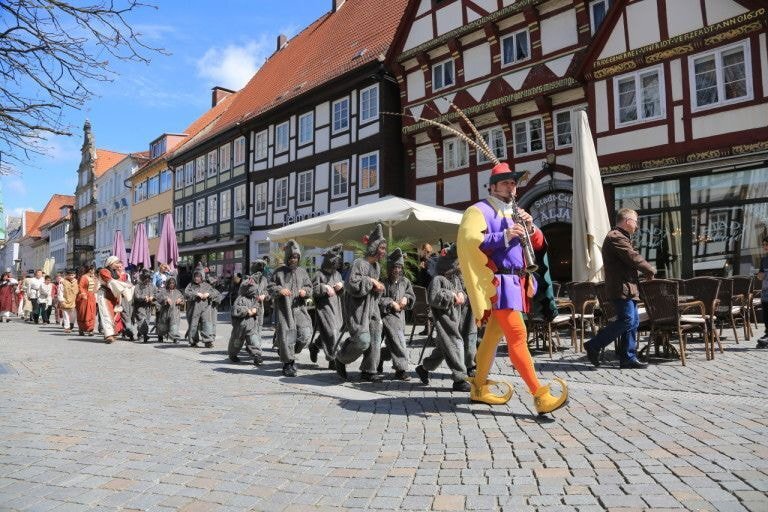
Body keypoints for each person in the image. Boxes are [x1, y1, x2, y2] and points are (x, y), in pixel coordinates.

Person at [457, 162, 568, 414]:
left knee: (493, 336)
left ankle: (478, 387)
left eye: (513, 183)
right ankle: (539, 394)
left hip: (517, 281)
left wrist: (531, 228)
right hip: (496, 281)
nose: (511, 187)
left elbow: (539, 244)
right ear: (493, 186)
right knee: (518, 335)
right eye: (506, 182)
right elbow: (469, 241)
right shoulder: (478, 210)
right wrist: (505, 236)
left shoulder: (516, 211)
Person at [584, 208, 655, 369]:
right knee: (628, 320)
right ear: (628, 221)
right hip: (621, 288)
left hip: (628, 288)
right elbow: (632, 257)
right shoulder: (615, 237)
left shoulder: (622, 237)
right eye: (635, 222)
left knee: (633, 322)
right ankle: (594, 345)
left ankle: (628, 357)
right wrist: (649, 269)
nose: (636, 226)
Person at [334, 224, 386, 382]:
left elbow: (372, 288)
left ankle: (369, 370)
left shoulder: (376, 266)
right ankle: (341, 358)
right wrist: (370, 281)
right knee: (363, 341)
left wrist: (378, 289)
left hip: (373, 310)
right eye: (382, 248)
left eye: (384, 248)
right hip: (357, 311)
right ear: (374, 248)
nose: (384, 251)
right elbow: (352, 285)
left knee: (376, 339)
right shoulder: (359, 263)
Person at [416, 244, 472, 391]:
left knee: (442, 350)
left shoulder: (456, 280)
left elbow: (462, 294)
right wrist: (451, 296)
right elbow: (434, 297)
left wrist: (461, 295)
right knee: (455, 344)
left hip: (456, 319)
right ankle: (459, 379)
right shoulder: (437, 280)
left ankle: (423, 368)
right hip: (444, 321)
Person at [269, 240, 312, 377]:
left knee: (305, 335)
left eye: (297, 257)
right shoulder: (278, 272)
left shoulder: (303, 272)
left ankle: (287, 351)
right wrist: (280, 290)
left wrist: (305, 291)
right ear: (288, 257)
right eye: (292, 257)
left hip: (300, 309)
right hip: (284, 310)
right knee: (288, 336)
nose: (294, 259)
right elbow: (270, 287)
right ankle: (288, 363)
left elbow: (309, 287)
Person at [377, 248, 415, 380]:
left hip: (400, 318)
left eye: (399, 267)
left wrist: (406, 299)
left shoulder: (405, 282)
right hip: (384, 316)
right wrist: (391, 302)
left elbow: (410, 295)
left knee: (395, 343)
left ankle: (379, 357)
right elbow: (378, 299)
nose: (397, 270)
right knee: (398, 342)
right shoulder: (382, 281)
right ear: (389, 268)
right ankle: (401, 369)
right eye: (394, 267)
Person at [310, 245, 345, 369]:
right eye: (333, 261)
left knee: (332, 332)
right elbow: (312, 290)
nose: (336, 264)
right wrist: (324, 287)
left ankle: (315, 346)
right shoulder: (318, 274)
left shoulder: (338, 275)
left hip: (337, 307)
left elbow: (342, 290)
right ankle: (333, 358)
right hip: (324, 308)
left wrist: (341, 285)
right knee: (331, 332)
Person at [97, 256, 134, 344]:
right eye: (116, 263)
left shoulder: (116, 273)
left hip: (114, 296)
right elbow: (112, 282)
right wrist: (125, 287)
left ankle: (112, 332)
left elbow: (120, 282)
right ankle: (108, 335)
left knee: (114, 314)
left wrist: (126, 287)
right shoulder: (104, 271)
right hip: (105, 295)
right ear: (110, 263)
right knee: (106, 314)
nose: (118, 265)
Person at [227, 277, 264, 366]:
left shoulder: (254, 299)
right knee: (236, 342)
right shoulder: (240, 298)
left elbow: (258, 307)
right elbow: (235, 309)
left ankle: (257, 355)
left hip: (251, 325)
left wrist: (255, 309)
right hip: (240, 326)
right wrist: (246, 310)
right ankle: (232, 354)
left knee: (254, 340)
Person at [184, 267, 220, 348]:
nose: (197, 278)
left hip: (205, 309)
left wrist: (208, 294)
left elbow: (215, 294)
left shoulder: (207, 286)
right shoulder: (190, 285)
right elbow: (186, 293)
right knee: (193, 325)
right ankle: (193, 341)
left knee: (206, 324)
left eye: (199, 276)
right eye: (195, 276)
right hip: (193, 309)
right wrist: (196, 294)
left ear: (202, 277)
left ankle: (208, 341)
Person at [155, 277, 183, 343]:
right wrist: (166, 299)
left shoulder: (178, 292)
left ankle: (175, 338)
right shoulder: (163, 291)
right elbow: (159, 298)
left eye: (173, 283)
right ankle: (160, 336)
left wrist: (180, 300)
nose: (172, 284)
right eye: (170, 283)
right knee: (162, 327)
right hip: (165, 312)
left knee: (174, 326)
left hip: (175, 313)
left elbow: (182, 299)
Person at [133, 269, 157, 343]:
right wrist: (144, 298)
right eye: (145, 278)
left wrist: (152, 297)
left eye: (148, 278)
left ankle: (140, 334)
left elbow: (156, 294)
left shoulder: (152, 286)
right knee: (142, 320)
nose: (147, 279)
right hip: (140, 306)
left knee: (146, 321)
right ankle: (145, 335)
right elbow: (136, 296)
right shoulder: (137, 286)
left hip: (148, 307)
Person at [76, 265, 97, 336]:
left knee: (92, 313)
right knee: (84, 313)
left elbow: (95, 287)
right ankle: (81, 329)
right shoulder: (84, 277)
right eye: (93, 270)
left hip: (92, 297)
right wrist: (83, 294)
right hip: (84, 297)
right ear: (90, 270)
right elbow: (80, 286)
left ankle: (91, 329)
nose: (94, 271)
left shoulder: (93, 278)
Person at [756, 236, 768, 348]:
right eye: (764, 244)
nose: (765, 246)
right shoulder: (764, 260)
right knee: (765, 314)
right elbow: (760, 275)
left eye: (766, 244)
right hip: (765, 290)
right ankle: (767, 334)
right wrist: (760, 276)